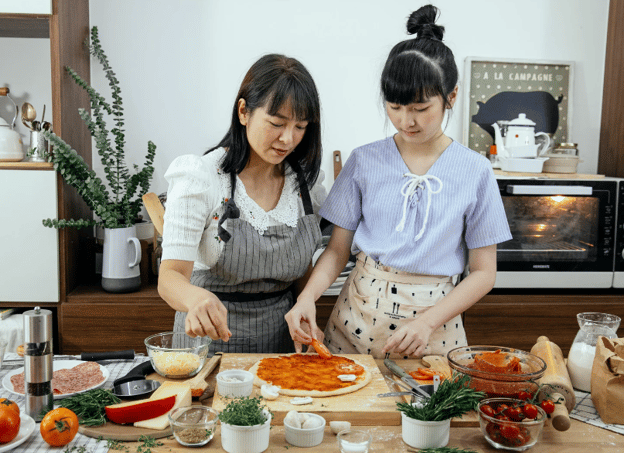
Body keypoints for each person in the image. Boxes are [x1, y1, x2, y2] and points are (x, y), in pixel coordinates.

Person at [285, 5, 512, 359]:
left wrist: (427, 323)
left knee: (430, 409)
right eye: (394, 106)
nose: (406, 120)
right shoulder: (364, 161)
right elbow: (336, 250)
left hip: (434, 325)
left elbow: (484, 273)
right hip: (357, 316)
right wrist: (306, 298)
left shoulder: (475, 171)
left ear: (451, 96)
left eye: (421, 109)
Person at [158, 54, 326, 354]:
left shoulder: (305, 184)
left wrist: (306, 309)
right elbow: (170, 278)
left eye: (300, 127)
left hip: (281, 345)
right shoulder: (202, 177)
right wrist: (196, 299)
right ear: (244, 111)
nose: (288, 139)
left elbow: (301, 270)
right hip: (208, 343)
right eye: (276, 123)